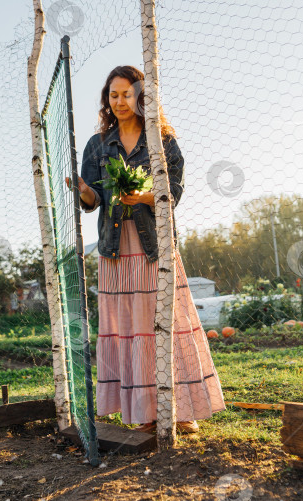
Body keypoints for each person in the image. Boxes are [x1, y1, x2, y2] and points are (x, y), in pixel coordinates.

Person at [65, 65, 224, 434]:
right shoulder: (97, 145)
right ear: (107, 99)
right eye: (113, 94)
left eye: (126, 93)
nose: (119, 101)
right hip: (115, 249)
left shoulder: (163, 141)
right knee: (129, 328)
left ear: (141, 97)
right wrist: (81, 188)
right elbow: (92, 201)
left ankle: (181, 412)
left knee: (164, 323)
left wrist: (147, 196)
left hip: (154, 246)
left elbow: (175, 193)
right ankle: (143, 412)